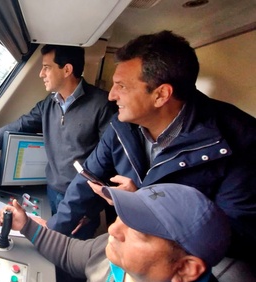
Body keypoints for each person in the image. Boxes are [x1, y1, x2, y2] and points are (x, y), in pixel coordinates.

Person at [37, 30, 256, 258]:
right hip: (134, 249)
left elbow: (236, 236)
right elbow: (88, 177)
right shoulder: (121, 125)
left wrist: (145, 205)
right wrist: (52, 230)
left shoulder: (240, 141)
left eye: (121, 86)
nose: (111, 96)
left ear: (161, 95)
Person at [0, 183, 233, 282]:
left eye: (138, 231)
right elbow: (71, 252)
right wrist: (26, 225)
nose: (113, 230)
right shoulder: (112, 252)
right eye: (122, 216)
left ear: (185, 269)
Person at [0, 44, 117, 219]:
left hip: (82, 198)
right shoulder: (49, 104)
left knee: (69, 244)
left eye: (46, 67)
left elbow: (108, 160)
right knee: (52, 240)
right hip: (52, 190)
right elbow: (16, 126)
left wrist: (89, 205)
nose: (41, 74)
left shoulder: (102, 104)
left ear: (67, 69)